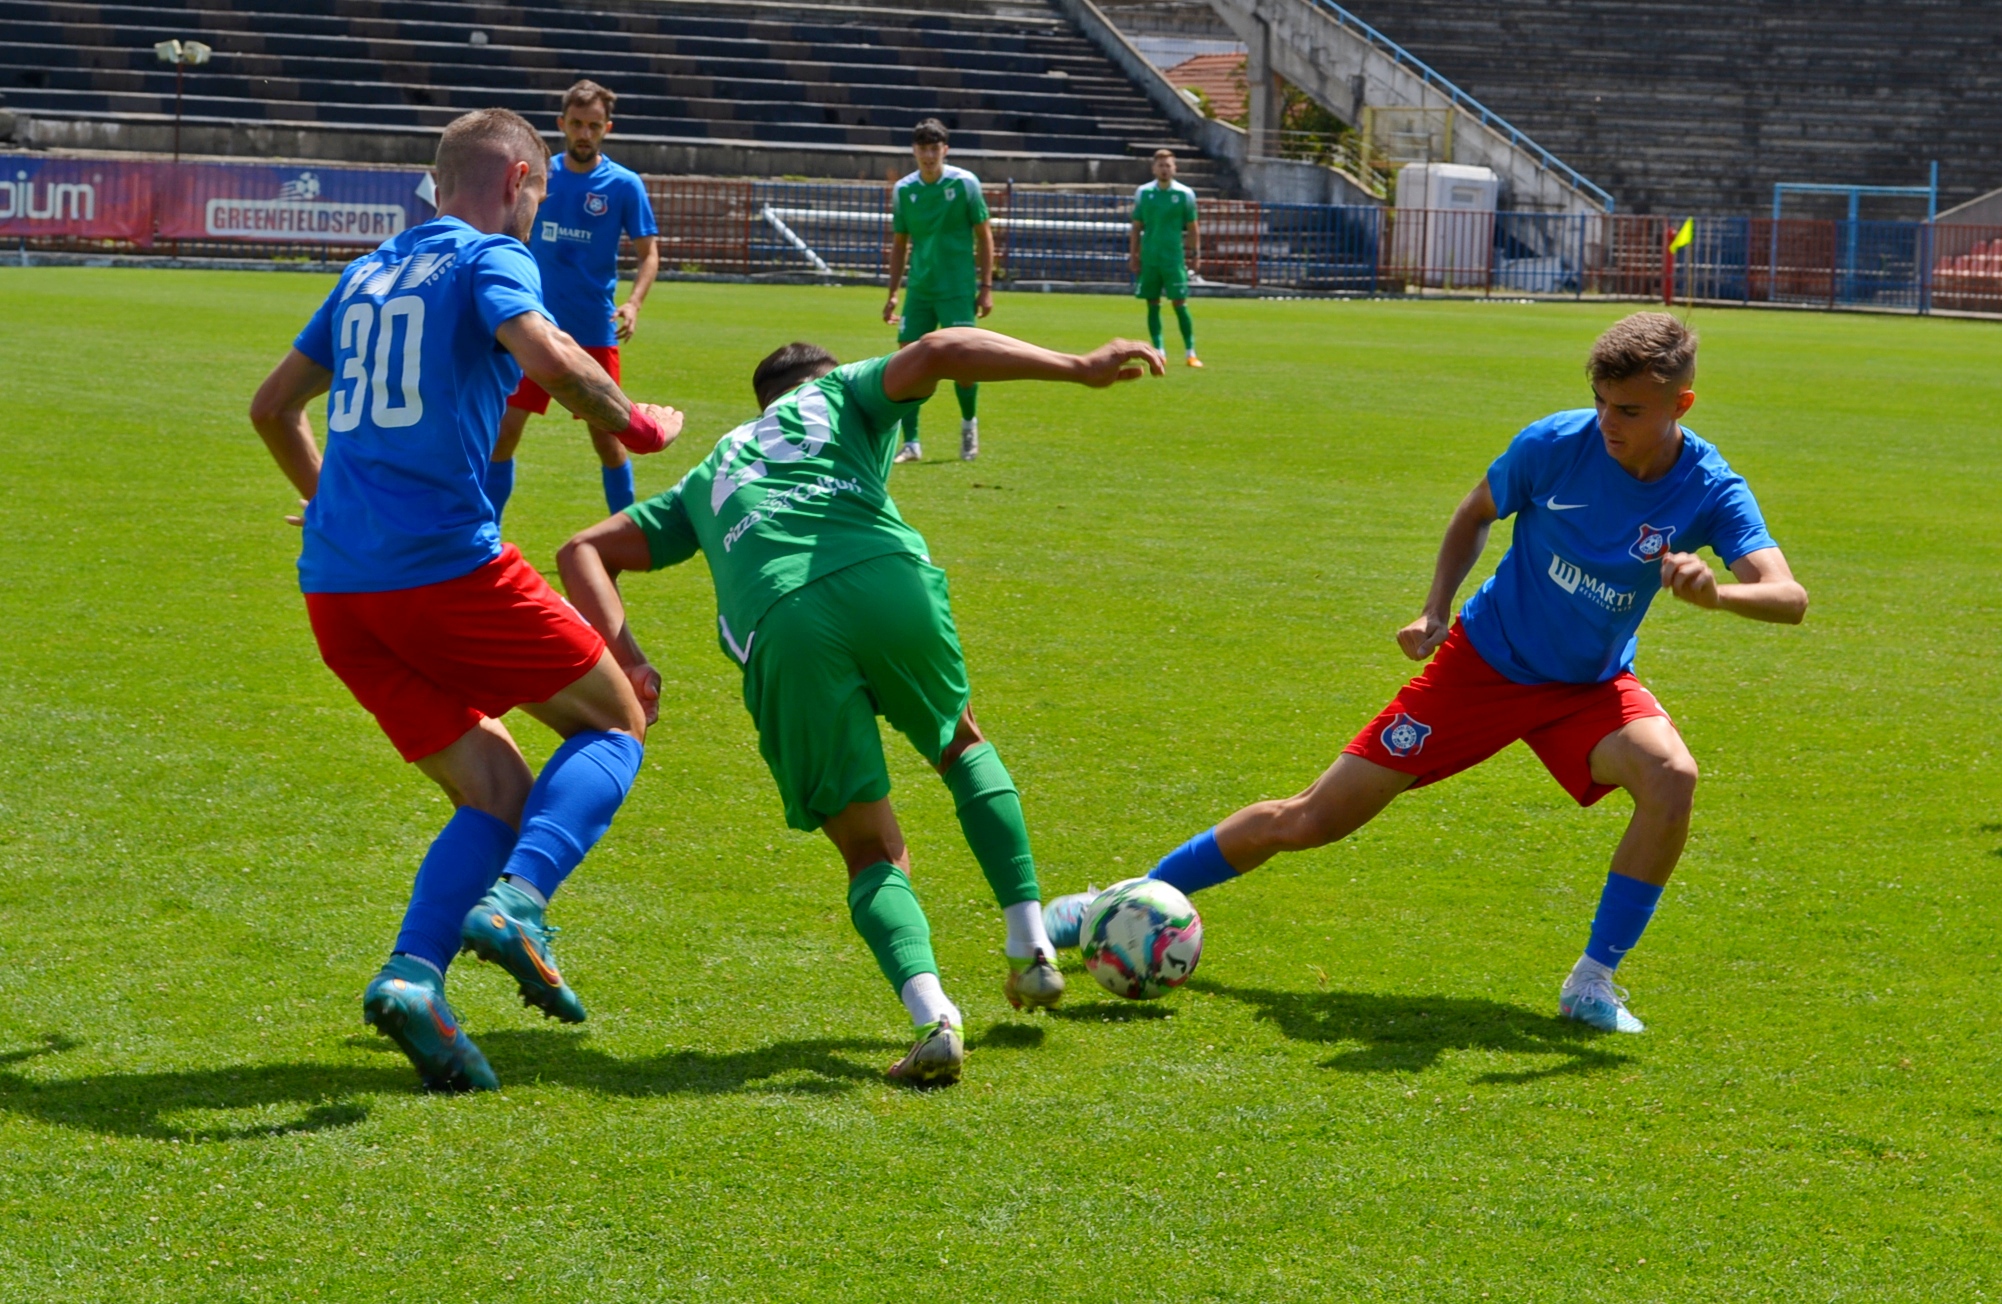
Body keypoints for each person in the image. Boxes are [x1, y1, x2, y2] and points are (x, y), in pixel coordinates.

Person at [1055, 313, 1807, 1034]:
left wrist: (1721, 595)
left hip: (1584, 688)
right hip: (1481, 667)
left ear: (1682, 404)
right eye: (1602, 402)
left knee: (1672, 777)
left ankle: (1592, 982)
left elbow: (1789, 597)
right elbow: (1475, 512)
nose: (1609, 422)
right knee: (1313, 818)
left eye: (1631, 410)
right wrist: (1435, 609)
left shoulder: (1709, 486)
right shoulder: (1554, 445)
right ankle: (1116, 905)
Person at [557, 328, 1165, 1087]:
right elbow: (940, 346)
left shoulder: (710, 471)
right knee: (961, 746)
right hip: (885, 577)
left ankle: (935, 1016)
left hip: (781, 624)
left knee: (871, 850)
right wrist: (1078, 365)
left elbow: (581, 549)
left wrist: (633, 660)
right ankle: (1032, 947)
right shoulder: (844, 392)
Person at [247, 107, 683, 1093]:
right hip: (442, 569)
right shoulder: (490, 257)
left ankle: (414, 980)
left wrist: (335, 507)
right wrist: (637, 423)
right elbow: (549, 357)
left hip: (339, 593)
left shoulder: (364, 272)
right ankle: (519, 902)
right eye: (534, 193)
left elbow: (272, 408)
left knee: (496, 791)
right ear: (520, 178)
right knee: (617, 717)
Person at [487, 80, 660, 523]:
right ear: (562, 124)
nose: (585, 134)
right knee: (504, 433)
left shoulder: (624, 185)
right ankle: (485, 535)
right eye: (578, 124)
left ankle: (627, 534)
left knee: (609, 436)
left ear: (607, 128)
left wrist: (635, 303)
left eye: (594, 126)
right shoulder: (540, 175)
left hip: (593, 327)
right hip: (532, 325)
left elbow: (648, 253)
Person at [883, 118, 994, 465]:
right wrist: (892, 293)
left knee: (964, 365)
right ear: (914, 151)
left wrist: (986, 287)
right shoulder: (904, 190)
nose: (928, 156)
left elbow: (984, 235)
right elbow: (900, 244)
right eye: (922, 149)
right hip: (920, 288)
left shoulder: (965, 184)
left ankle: (968, 426)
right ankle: (912, 443)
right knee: (908, 362)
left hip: (957, 289)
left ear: (945, 150)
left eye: (935, 149)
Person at [1130, 149, 1202, 368]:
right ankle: (1159, 350)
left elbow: (1192, 228)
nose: (1164, 169)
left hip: (1173, 259)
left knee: (1180, 303)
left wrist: (1195, 254)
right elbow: (1136, 227)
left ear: (1175, 168)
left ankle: (1190, 352)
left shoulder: (1184, 194)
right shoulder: (1143, 193)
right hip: (1150, 258)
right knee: (1153, 303)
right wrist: (1134, 255)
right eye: (1161, 165)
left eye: (1168, 165)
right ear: (1154, 168)